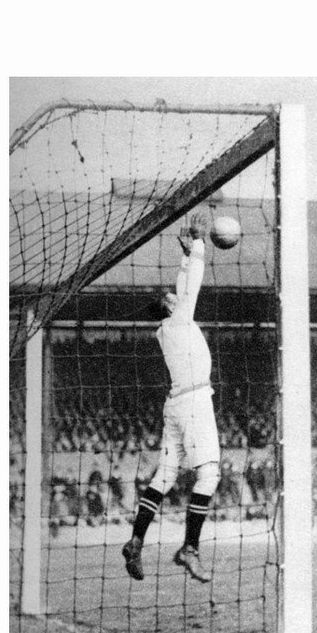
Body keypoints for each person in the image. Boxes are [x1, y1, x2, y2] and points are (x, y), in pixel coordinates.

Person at [123, 213, 220, 583]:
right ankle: (189, 548)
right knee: (208, 474)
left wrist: (185, 255)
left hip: (176, 405)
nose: (173, 294)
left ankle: (136, 540)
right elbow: (191, 286)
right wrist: (197, 245)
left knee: (165, 474)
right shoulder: (179, 318)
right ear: (167, 306)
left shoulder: (167, 329)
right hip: (194, 403)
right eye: (169, 296)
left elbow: (183, 287)